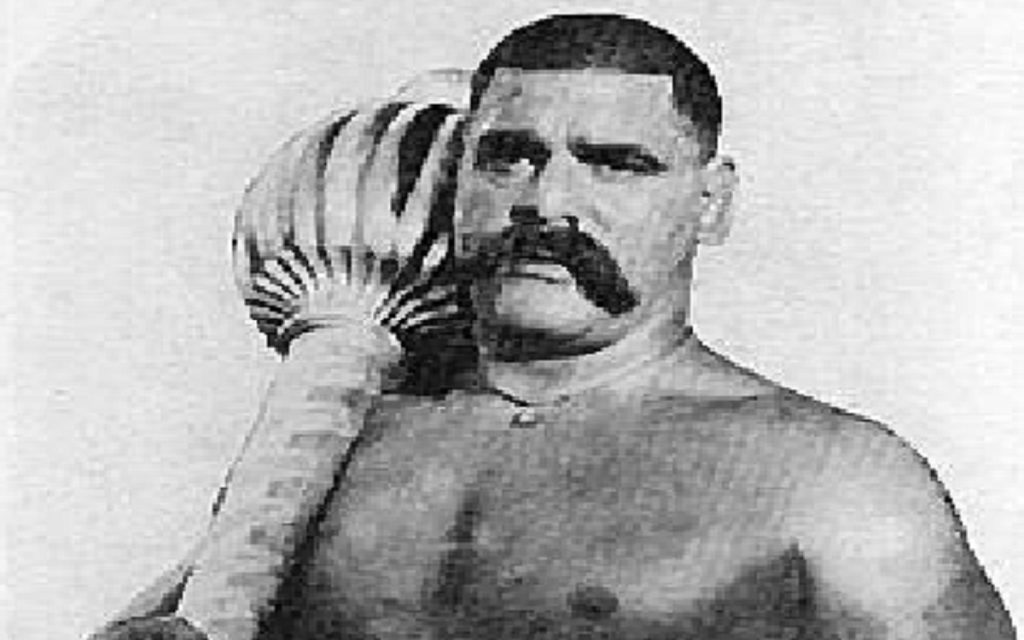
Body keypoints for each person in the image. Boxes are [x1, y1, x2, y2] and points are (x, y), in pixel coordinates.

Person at [98, 13, 1017, 640]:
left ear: (711, 202)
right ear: (458, 176)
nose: (547, 202)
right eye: (508, 156)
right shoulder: (331, 445)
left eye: (616, 163)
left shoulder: (832, 482)